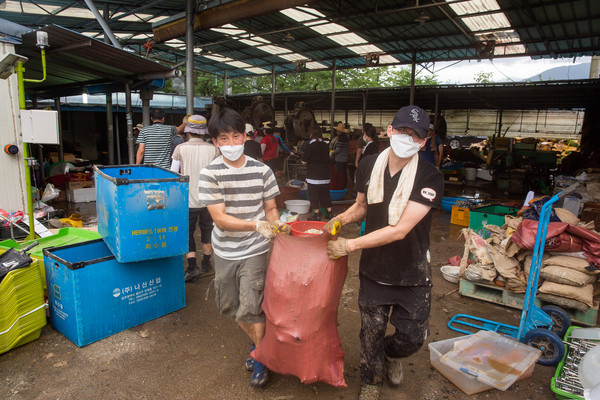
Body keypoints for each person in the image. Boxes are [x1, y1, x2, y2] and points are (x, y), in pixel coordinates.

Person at [323, 105, 444, 400]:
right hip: (375, 269)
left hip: (411, 270)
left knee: (413, 337)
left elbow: (400, 229)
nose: (407, 138)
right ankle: (371, 382)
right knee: (370, 333)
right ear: (388, 131)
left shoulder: (430, 176)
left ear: (424, 142)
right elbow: (362, 206)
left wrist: (349, 245)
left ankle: (392, 355)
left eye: (416, 135)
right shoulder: (368, 165)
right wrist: (341, 219)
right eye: (402, 130)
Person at [197, 108, 290, 389]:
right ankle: (261, 344)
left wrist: (275, 226)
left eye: (236, 136)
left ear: (245, 136)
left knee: (251, 308)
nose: (231, 143)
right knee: (231, 308)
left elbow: (271, 208)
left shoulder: (262, 170)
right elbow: (220, 219)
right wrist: (255, 224)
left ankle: (262, 358)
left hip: (255, 250)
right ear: (214, 142)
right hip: (225, 250)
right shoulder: (210, 173)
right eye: (223, 138)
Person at [170, 115, 218, 282]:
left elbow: (174, 174)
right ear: (204, 132)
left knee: (188, 233)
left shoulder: (180, 149)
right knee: (207, 231)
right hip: (209, 200)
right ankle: (206, 263)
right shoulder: (213, 149)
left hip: (187, 201)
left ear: (188, 131)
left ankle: (192, 267)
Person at [301, 124, 332, 221]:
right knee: (325, 194)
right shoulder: (325, 145)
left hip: (314, 176)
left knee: (314, 195)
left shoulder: (310, 146)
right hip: (325, 175)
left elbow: (304, 161)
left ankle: (317, 215)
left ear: (311, 134)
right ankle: (330, 213)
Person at [331, 122, 350, 189]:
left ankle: (341, 186)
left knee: (341, 173)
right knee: (344, 173)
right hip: (344, 158)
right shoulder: (345, 137)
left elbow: (338, 149)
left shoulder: (341, 138)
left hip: (340, 159)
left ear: (339, 131)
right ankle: (344, 185)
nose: (337, 132)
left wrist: (331, 153)